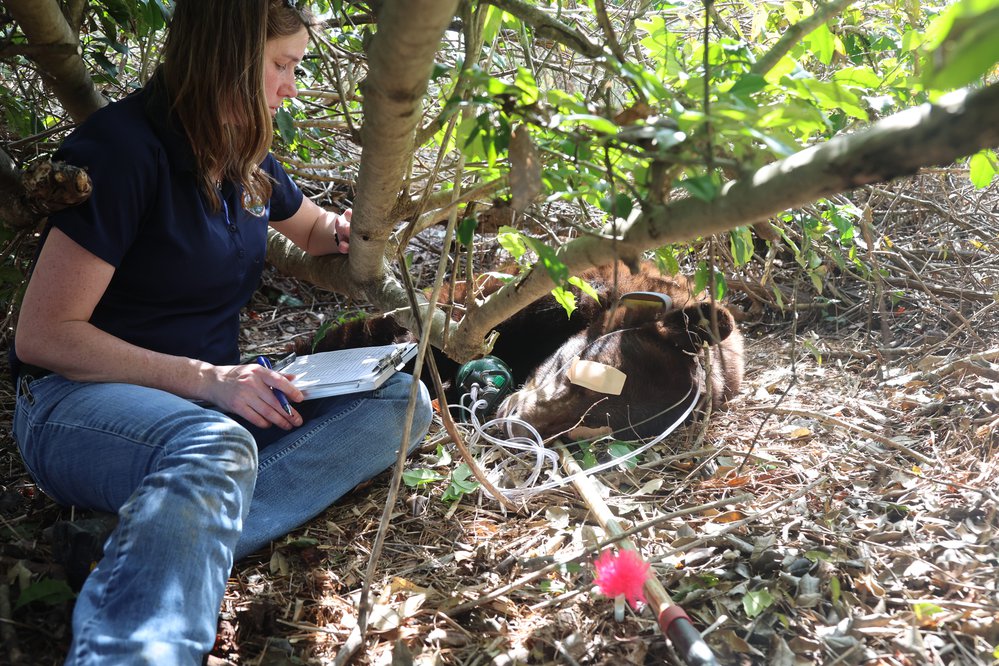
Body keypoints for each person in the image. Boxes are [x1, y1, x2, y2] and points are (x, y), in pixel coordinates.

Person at [10, 1, 433, 663]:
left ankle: (139, 543)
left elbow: (317, 231)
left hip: (206, 404)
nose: (291, 86)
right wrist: (210, 382)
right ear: (230, 60)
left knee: (400, 402)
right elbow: (44, 336)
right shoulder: (121, 150)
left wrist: (357, 230)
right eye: (281, 65)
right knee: (213, 449)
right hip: (76, 402)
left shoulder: (241, 151)